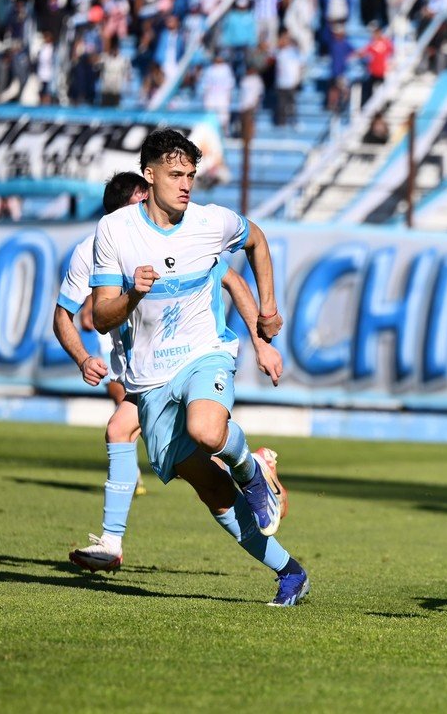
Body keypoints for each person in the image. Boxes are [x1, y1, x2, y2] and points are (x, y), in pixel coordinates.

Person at [89, 129, 308, 605]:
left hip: (204, 353)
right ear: (149, 176)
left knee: (208, 428)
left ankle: (251, 471)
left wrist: (267, 310)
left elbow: (258, 240)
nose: (186, 184)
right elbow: (100, 314)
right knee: (214, 494)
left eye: (191, 174)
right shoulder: (114, 231)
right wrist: (132, 295)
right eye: (175, 175)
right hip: (148, 382)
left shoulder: (211, 222)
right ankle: (290, 572)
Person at [59, 172, 283, 572]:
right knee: (208, 483)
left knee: (132, 429)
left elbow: (233, 280)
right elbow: (68, 316)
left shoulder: (187, 232)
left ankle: (113, 540)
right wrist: (81, 358)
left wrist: (261, 341)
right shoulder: (96, 247)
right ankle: (288, 568)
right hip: (144, 377)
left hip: (193, 360)